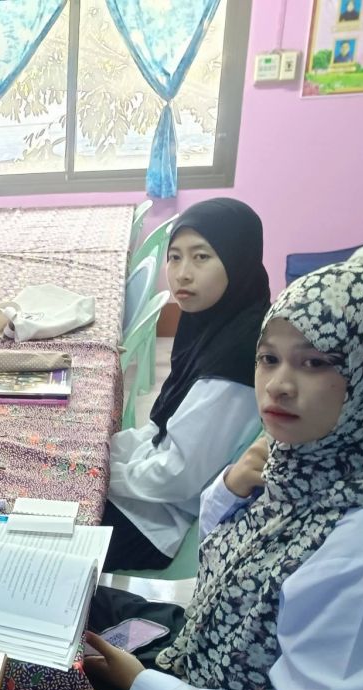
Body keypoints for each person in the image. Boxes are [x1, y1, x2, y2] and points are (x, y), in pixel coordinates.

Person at [85, 261, 363, 690]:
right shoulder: (320, 458)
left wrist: (144, 687)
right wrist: (228, 490)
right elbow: (227, 574)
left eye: (315, 362)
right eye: (269, 358)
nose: (279, 384)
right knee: (74, 599)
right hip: (212, 666)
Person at [102, 198, 269, 571]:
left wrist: (101, 474)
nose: (182, 274)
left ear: (238, 259)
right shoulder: (215, 321)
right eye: (174, 258)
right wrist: (103, 454)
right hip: (146, 495)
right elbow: (161, 428)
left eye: (201, 257)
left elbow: (177, 476)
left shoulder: (235, 360)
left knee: (31, 523)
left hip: (154, 526)